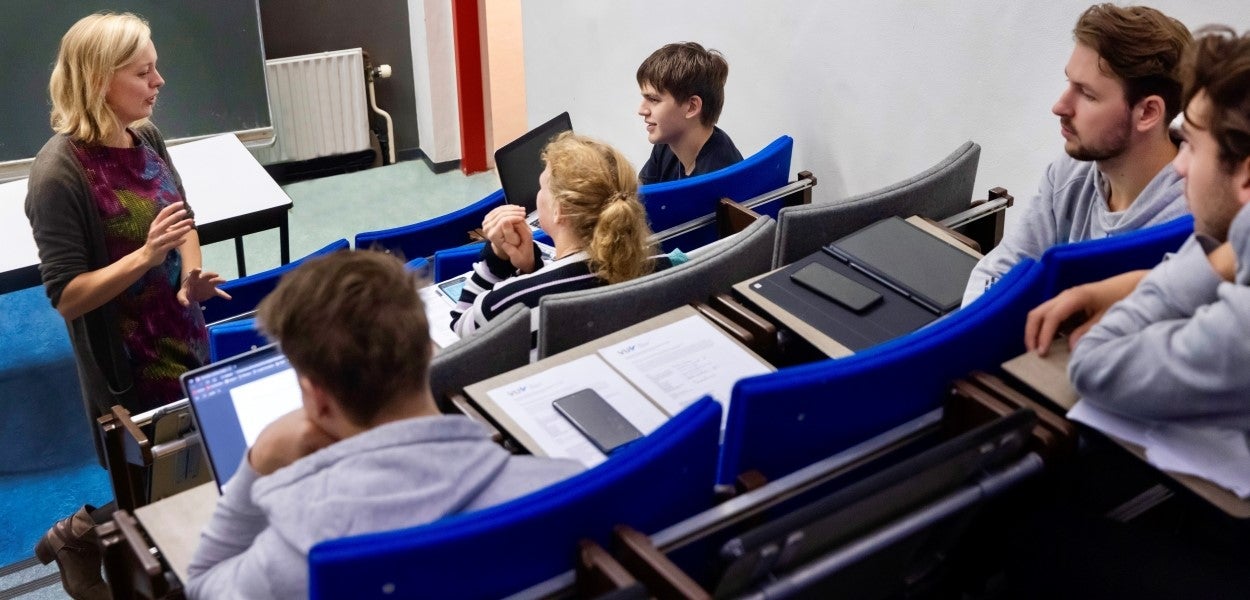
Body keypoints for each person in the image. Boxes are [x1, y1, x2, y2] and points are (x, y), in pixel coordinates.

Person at [185, 250, 582, 599]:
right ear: (430, 349)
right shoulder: (563, 488)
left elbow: (203, 581)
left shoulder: (293, 562)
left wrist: (262, 457)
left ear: (318, 399)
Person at [25, 12, 228, 599]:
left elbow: (179, 220)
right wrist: (145, 258)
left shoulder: (147, 137)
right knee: (161, 482)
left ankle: (83, 536)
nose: (159, 81)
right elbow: (66, 296)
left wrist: (189, 275)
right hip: (130, 365)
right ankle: (84, 536)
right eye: (144, 72)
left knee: (189, 468)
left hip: (182, 331)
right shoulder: (57, 175)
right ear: (99, 82)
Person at [1025, 26, 1250, 426]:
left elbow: (1095, 363)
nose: (1180, 166)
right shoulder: (1068, 173)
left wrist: (1216, 263)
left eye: (1194, 147)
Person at [962, 4, 1192, 306]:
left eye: (1087, 94)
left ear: (1148, 112)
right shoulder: (1071, 172)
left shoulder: (1196, 222)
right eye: (1070, 82)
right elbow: (1002, 269)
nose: (1060, 106)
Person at [451, 132, 675, 338]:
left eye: (541, 187)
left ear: (560, 210)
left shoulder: (511, 302)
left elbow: (462, 328)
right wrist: (532, 268)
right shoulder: (663, 269)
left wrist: (497, 258)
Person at [636, 41, 743, 184]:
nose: (641, 110)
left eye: (654, 99)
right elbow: (636, 197)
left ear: (692, 107)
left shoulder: (717, 178)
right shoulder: (666, 144)